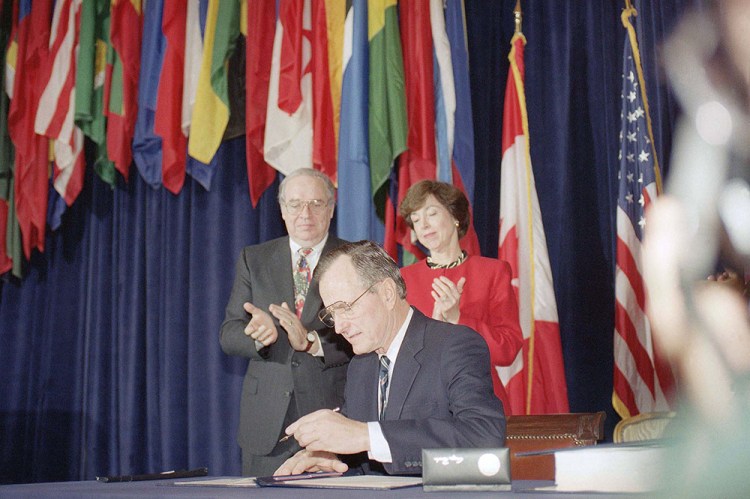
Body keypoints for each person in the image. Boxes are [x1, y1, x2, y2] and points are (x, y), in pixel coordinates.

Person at [274, 241, 505, 476]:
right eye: (332, 314)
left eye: (345, 307)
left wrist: (366, 436)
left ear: (387, 293)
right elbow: (367, 458)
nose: (339, 327)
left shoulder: (452, 346)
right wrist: (331, 455)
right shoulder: (361, 366)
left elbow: (484, 437)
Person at [219, 168, 352, 477]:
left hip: (331, 413)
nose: (305, 213)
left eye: (316, 203)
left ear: (331, 209)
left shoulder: (352, 256)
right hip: (266, 421)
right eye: (295, 204)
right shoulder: (254, 258)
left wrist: (312, 342)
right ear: (281, 210)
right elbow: (229, 333)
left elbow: (370, 334)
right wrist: (259, 337)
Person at [397, 180, 523, 412]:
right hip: (421, 407)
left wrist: (458, 319)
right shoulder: (403, 279)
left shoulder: (493, 272)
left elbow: (507, 350)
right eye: (415, 220)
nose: (423, 225)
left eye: (431, 213)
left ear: (455, 216)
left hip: (480, 403)